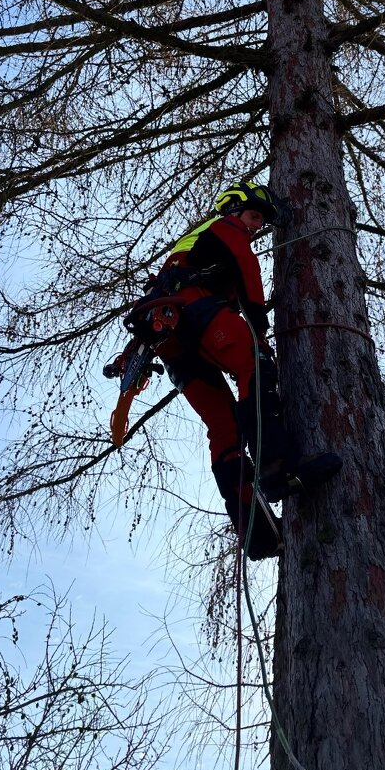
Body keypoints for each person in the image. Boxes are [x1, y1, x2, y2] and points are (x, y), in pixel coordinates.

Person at [139, 180, 342, 560]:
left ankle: (257, 532)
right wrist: (258, 322)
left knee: (224, 428)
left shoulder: (184, 256)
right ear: (234, 208)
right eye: (253, 216)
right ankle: (278, 466)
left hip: (172, 341)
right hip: (194, 310)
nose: (255, 227)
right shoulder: (222, 227)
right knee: (254, 362)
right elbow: (245, 262)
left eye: (260, 223)